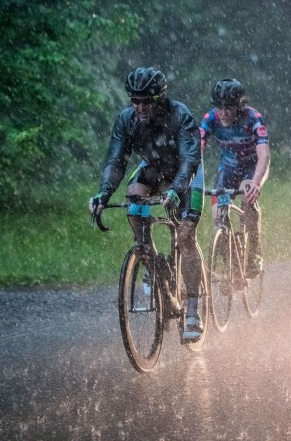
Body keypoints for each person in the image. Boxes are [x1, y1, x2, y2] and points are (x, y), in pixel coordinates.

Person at [88, 67, 205, 342]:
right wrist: (103, 195)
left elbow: (190, 159)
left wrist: (176, 190)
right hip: (154, 168)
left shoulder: (180, 115)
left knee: (185, 236)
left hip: (186, 172)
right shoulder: (126, 120)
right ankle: (149, 258)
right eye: (134, 100)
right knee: (133, 197)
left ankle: (192, 309)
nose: (139, 107)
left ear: (160, 98)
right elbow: (116, 161)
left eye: (145, 101)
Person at [200, 79, 270, 277]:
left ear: (239, 106)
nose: (223, 113)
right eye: (219, 107)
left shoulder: (252, 118)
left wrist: (256, 183)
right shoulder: (210, 118)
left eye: (228, 108)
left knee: (248, 196)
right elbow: (197, 147)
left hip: (252, 168)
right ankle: (231, 262)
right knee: (217, 215)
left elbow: (264, 155)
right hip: (228, 169)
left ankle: (255, 251)